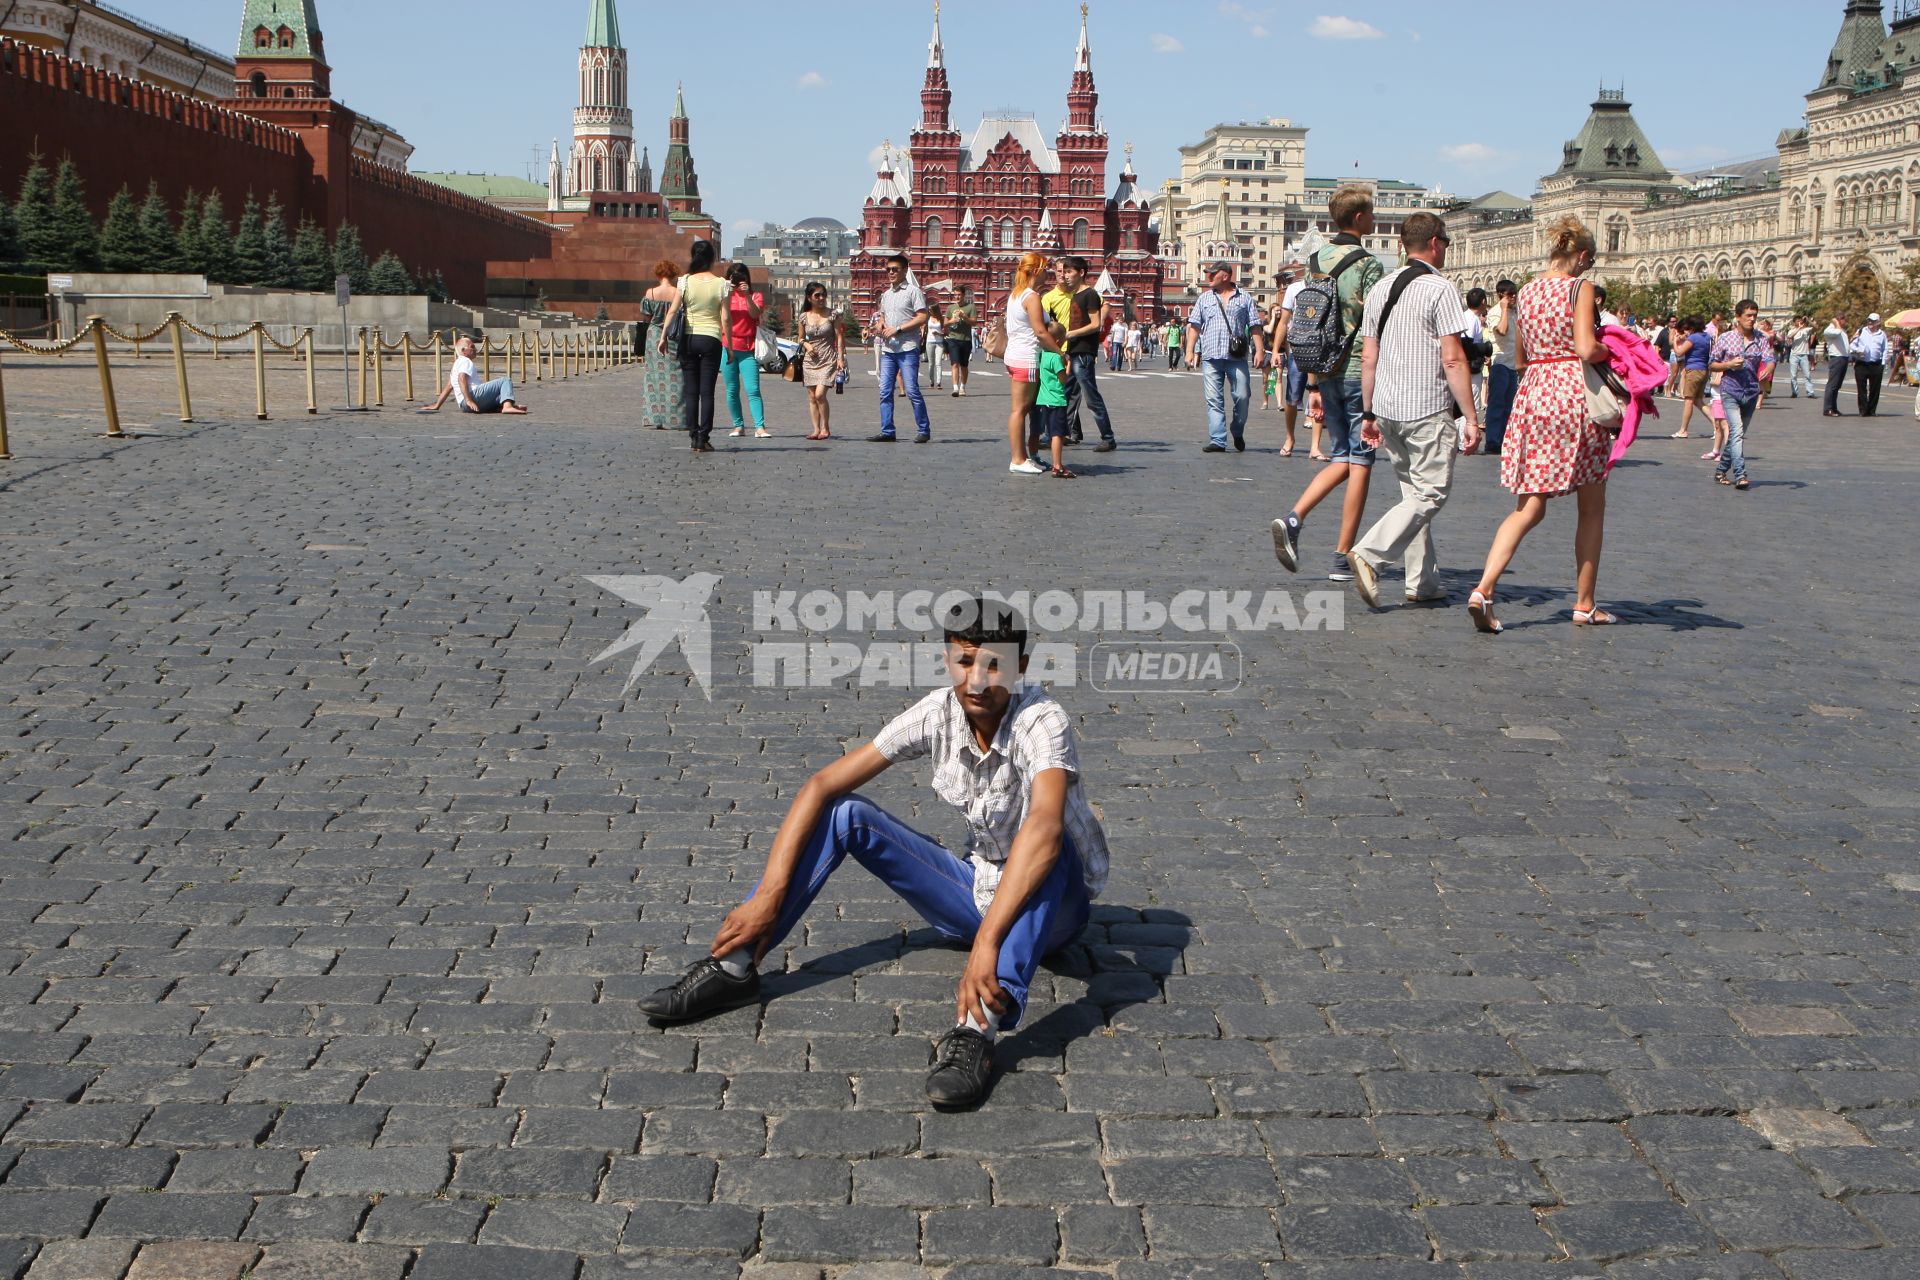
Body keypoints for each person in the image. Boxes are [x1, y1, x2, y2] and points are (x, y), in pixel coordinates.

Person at [637, 598, 1110, 1110]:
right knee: (845, 814)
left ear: (1020, 667)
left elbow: (1041, 826)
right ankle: (734, 968)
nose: (976, 680)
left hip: (1052, 912)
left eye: (994, 664)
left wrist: (987, 943)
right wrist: (768, 895)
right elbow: (821, 786)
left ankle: (976, 1030)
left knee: (1049, 844)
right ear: (949, 659)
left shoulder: (1042, 720)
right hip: (975, 892)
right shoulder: (939, 713)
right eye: (965, 661)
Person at [1465, 216, 1617, 633]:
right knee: (1592, 505)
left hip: (1534, 393)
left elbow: (1520, 359)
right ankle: (1585, 604)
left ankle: (1484, 589)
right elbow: (1586, 347)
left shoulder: (1527, 291)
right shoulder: (1579, 288)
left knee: (1529, 506)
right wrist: (1614, 351)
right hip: (1573, 396)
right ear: (1583, 256)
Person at [1345, 214, 1482, 609]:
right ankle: (1370, 553)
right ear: (1435, 243)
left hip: (1387, 408)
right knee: (1431, 493)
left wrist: (1368, 412)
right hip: (1426, 406)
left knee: (1412, 494)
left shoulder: (1380, 288)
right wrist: (1471, 418)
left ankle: (1422, 581)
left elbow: (1368, 357)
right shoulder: (1440, 288)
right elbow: (1453, 359)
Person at [1272, 185, 1384, 580]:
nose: (1372, 220)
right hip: (1356, 368)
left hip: (1325, 366)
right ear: (1358, 218)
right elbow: (1372, 324)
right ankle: (1342, 556)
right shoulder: (1369, 264)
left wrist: (1315, 383)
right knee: (1361, 463)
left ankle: (1294, 518)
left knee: (1341, 456)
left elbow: (1311, 320)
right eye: (1371, 215)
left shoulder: (1316, 258)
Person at [1186, 259, 1265, 454]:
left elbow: (1255, 325)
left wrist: (1260, 350)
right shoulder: (1204, 299)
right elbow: (1195, 326)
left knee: (1243, 395)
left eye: (1213, 274)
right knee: (1214, 399)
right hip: (1211, 356)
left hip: (1236, 357)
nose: (1208, 277)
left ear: (1226, 276)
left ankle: (1237, 430)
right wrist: (1189, 351)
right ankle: (1218, 440)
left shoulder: (1244, 298)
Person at [1045, 256, 1118, 452]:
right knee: (1063, 394)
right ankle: (1056, 433)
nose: (1065, 276)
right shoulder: (1075, 295)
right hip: (1073, 351)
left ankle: (1108, 437)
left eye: (1069, 272)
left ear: (1081, 273)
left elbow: (1095, 325)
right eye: (1064, 272)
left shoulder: (1089, 294)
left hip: (1083, 351)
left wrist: (1070, 334)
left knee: (1091, 396)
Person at [659, 239, 726, 452]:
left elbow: (672, 310)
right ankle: (703, 438)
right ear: (711, 259)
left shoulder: (685, 281)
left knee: (690, 392)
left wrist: (663, 337)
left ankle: (693, 436)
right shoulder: (721, 283)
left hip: (688, 340)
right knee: (707, 392)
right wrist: (730, 346)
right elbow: (725, 318)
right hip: (711, 339)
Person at [1003, 251, 1066, 475]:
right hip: (1026, 357)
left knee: (1023, 410)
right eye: (1045, 269)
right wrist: (1060, 352)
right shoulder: (1031, 297)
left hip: (1014, 356)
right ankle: (1018, 459)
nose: (1048, 273)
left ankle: (1025, 456)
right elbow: (1040, 331)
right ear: (1036, 271)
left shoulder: (1015, 294)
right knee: (1019, 410)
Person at [870, 254, 932, 443]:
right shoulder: (886, 295)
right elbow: (883, 317)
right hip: (889, 350)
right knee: (884, 391)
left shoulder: (913, 292)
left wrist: (897, 328)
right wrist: (881, 325)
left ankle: (924, 429)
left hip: (907, 348)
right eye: (888, 269)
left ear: (905, 270)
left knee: (912, 390)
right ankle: (887, 430)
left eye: (895, 269)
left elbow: (922, 317)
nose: (890, 273)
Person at [1709, 299, 1768, 491]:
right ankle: (1741, 474)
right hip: (1730, 390)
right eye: (1748, 316)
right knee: (1736, 432)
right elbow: (1711, 363)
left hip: (1751, 391)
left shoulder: (1761, 338)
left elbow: (1770, 358)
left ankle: (1720, 470)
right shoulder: (1726, 338)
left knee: (1737, 435)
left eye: (1755, 316)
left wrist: (1769, 368)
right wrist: (1727, 365)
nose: (1752, 320)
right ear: (1738, 317)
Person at [720, 262, 770, 439]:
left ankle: (760, 427)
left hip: (748, 348)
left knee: (753, 389)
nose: (738, 281)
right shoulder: (724, 296)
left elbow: (755, 314)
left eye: (742, 278)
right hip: (728, 346)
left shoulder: (756, 295)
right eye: (734, 278)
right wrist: (727, 291)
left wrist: (747, 295)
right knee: (732, 390)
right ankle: (738, 425)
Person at [1270, 265, 1313, 458]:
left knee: (1318, 396)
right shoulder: (1294, 289)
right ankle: (1290, 437)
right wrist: (1276, 350)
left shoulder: (1330, 286)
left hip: (1320, 350)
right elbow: (1284, 322)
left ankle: (1315, 445)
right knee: (1293, 398)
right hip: (1297, 349)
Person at [425, 334, 528, 415]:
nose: (475, 349)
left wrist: (437, 405)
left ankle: (505, 406)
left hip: (463, 406)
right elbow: (462, 378)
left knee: (501, 394)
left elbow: (449, 386)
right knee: (505, 380)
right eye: (472, 347)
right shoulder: (465, 361)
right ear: (463, 351)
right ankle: (507, 407)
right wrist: (469, 400)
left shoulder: (457, 363)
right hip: (472, 398)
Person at [639, 260, 684, 430]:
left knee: (653, 377)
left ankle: (655, 417)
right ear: (673, 274)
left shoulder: (650, 293)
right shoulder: (677, 292)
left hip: (654, 336)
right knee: (676, 376)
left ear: (658, 273)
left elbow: (647, 316)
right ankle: (676, 417)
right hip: (673, 335)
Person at [798, 282, 844, 441]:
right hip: (810, 361)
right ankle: (816, 429)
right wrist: (806, 345)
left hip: (828, 359)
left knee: (820, 394)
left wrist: (840, 358)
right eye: (817, 295)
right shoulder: (804, 316)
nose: (821, 298)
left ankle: (826, 428)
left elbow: (839, 337)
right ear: (809, 298)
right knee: (812, 397)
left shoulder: (833, 315)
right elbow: (800, 338)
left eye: (823, 294)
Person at [1483, 279, 1520, 455]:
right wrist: (1504, 308)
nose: (1514, 297)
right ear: (1501, 295)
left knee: (1509, 405)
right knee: (1497, 404)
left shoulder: (1515, 311)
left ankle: (1504, 438)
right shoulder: (1496, 312)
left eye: (1515, 294)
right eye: (1510, 294)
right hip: (1500, 362)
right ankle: (1492, 441)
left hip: (1513, 363)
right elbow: (1502, 331)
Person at [1036, 322, 1078, 478]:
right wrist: (1068, 366)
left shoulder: (1042, 355)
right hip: (1056, 400)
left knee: (1052, 431)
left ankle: (1055, 463)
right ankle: (1057, 465)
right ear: (1059, 342)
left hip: (1043, 400)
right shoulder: (1055, 358)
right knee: (1057, 434)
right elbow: (1063, 379)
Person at [1670, 316, 1711, 441]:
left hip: (1693, 370)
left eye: (1687, 329)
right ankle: (1717, 424)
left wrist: (1676, 342)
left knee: (1688, 401)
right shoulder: (1707, 336)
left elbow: (1679, 352)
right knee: (1698, 400)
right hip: (1704, 370)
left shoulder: (1693, 338)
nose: (1685, 332)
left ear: (1692, 328)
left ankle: (1683, 430)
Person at [1851, 313, 1888, 416]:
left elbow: (1885, 349)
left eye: (1872, 321)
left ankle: (1872, 410)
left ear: (1878, 322)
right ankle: (1863, 410)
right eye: (1869, 320)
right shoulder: (1861, 331)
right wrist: (1858, 350)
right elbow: (1852, 345)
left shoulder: (1882, 334)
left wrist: (1883, 363)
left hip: (1876, 364)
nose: (1870, 322)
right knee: (1861, 388)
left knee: (1875, 389)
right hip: (1861, 363)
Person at [945, 286, 976, 397]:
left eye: (959, 294)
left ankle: (962, 386)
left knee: (964, 366)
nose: (957, 297)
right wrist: (952, 321)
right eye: (955, 295)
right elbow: (944, 323)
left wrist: (964, 317)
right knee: (954, 364)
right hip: (953, 339)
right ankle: (955, 388)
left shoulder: (970, 307)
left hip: (966, 339)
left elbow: (974, 322)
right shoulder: (950, 308)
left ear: (963, 295)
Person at [1822, 312, 1851, 418]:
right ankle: (1828, 408)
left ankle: (1834, 407)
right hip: (1836, 358)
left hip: (1843, 357)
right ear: (1838, 319)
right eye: (1844, 319)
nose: (1846, 322)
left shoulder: (1842, 330)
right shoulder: (1830, 329)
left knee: (1837, 385)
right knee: (1832, 385)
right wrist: (1835, 323)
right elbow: (1837, 333)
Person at [1786, 315, 1814, 398]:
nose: (1799, 322)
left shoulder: (1806, 330)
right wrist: (1798, 328)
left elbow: (1816, 327)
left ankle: (1810, 392)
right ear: (1794, 322)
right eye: (1797, 321)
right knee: (1793, 375)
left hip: (1804, 354)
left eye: (1800, 321)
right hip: (1794, 355)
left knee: (1807, 374)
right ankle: (1794, 392)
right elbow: (1789, 336)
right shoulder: (1792, 330)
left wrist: (1808, 320)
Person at [925, 302, 946, 391]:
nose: (930, 311)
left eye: (931, 310)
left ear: (935, 310)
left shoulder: (941, 319)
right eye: (929, 310)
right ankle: (931, 382)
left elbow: (945, 332)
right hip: (929, 342)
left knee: (938, 363)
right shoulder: (928, 318)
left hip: (939, 342)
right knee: (931, 364)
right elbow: (924, 328)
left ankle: (939, 382)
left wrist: (938, 333)